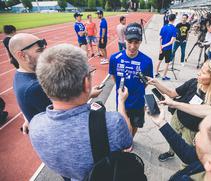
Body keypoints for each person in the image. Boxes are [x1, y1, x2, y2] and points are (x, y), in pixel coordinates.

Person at [29, 44, 132, 181]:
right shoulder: (113, 123)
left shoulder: (35, 124)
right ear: (86, 83)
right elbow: (127, 141)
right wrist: (121, 103)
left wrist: (87, 95)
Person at [148, 58, 211, 165]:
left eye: (203, 72)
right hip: (177, 118)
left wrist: (175, 104)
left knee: (187, 158)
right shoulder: (193, 83)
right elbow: (171, 93)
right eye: (200, 69)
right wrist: (156, 83)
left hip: (192, 132)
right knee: (173, 140)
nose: (198, 73)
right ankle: (171, 152)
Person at [109, 23, 153, 137]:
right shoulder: (114, 59)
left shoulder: (147, 61)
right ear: (125, 40)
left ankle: (130, 141)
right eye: (130, 42)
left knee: (135, 126)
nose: (133, 46)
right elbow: (114, 77)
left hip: (138, 103)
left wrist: (136, 90)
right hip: (122, 102)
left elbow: (147, 82)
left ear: (140, 41)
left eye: (136, 42)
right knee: (121, 125)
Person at [9, 33, 51, 134]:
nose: (46, 54)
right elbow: (63, 114)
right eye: (40, 50)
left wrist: (28, 118)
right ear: (22, 55)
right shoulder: (34, 87)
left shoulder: (19, 75)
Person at [155, 14, 177, 81]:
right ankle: (164, 76)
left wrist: (160, 47)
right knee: (167, 63)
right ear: (174, 19)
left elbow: (160, 38)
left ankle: (156, 73)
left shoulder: (164, 27)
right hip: (168, 49)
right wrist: (164, 46)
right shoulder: (174, 29)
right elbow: (172, 41)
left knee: (159, 60)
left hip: (162, 48)